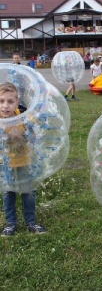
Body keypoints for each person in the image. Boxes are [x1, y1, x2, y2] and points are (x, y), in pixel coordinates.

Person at [0, 82, 46, 236]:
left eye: (10, 101)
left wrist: (19, 136)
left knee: (28, 192)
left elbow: (33, 138)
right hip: (5, 165)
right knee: (8, 193)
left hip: (23, 162)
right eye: (1, 101)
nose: (5, 106)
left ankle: (31, 222)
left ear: (17, 103)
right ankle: (10, 224)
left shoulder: (23, 118)